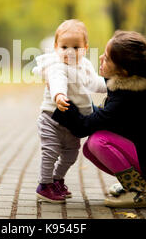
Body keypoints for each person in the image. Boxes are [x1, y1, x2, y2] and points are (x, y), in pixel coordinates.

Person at [51, 30, 146, 208]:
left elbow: (84, 127)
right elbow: (102, 118)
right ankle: (133, 184)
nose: (101, 58)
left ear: (123, 71)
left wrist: (62, 107)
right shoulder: (130, 91)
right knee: (89, 148)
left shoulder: (127, 99)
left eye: (108, 58)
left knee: (97, 142)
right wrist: (81, 104)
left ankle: (140, 190)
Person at [32, 19, 107, 203]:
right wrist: (59, 95)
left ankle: (57, 180)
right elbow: (57, 81)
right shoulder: (57, 66)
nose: (70, 52)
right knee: (51, 151)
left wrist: (111, 85)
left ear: (85, 48)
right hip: (52, 119)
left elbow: (95, 83)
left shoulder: (85, 66)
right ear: (56, 47)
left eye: (76, 47)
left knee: (71, 153)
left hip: (71, 121)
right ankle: (44, 185)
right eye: (64, 47)